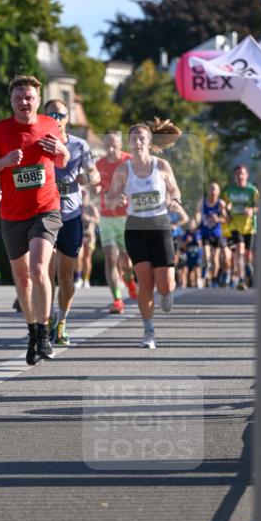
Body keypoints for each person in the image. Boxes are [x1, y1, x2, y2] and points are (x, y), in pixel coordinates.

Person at [0, 75, 69, 365]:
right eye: (18, 98)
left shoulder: (50, 125)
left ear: (38, 99)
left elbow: (64, 159)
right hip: (12, 214)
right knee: (22, 277)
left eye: (29, 97)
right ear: (11, 101)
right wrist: (4, 162)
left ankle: (44, 332)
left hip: (46, 208)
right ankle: (33, 331)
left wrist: (61, 151)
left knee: (38, 266)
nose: (24, 102)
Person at [106, 119, 187, 349]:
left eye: (142, 138)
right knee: (145, 282)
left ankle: (167, 292)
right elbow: (110, 198)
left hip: (160, 227)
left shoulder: (161, 166)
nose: (138, 142)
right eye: (134, 139)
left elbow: (174, 189)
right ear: (129, 143)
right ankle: (148, 331)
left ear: (150, 142)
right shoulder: (123, 170)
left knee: (165, 284)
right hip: (136, 229)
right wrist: (117, 200)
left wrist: (175, 200)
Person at [43, 98, 100, 346]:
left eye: (60, 115)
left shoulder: (80, 145)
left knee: (66, 275)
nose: (56, 119)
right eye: (51, 115)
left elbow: (94, 174)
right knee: (45, 274)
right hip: (44, 216)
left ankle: (62, 320)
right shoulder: (38, 144)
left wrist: (88, 178)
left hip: (71, 215)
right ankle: (44, 322)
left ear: (68, 118)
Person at [96, 131, 138, 313]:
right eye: (107, 145)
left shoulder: (129, 162)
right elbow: (94, 189)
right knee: (110, 257)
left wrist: (126, 197)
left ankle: (129, 281)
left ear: (121, 145)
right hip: (106, 217)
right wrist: (97, 190)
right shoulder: (99, 164)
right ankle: (117, 299)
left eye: (114, 145)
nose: (111, 149)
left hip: (126, 217)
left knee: (126, 261)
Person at [222, 165, 259, 290]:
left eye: (242, 173)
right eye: (237, 174)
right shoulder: (229, 191)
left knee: (248, 255)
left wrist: (252, 210)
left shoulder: (253, 190)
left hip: (250, 227)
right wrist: (226, 214)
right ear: (234, 176)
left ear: (247, 175)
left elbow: (259, 206)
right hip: (235, 225)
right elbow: (223, 206)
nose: (240, 176)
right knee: (239, 250)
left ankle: (249, 270)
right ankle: (241, 279)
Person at [196, 182, 227, 287]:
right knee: (206, 254)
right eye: (211, 189)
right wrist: (196, 220)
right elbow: (197, 214)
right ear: (208, 191)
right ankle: (205, 269)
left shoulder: (221, 204)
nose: (213, 191)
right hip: (205, 232)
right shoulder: (202, 202)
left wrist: (217, 219)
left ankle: (214, 279)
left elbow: (226, 219)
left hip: (216, 234)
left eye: (215, 189)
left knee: (215, 259)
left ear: (218, 192)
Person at [77, 186, 99, 288]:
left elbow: (98, 220)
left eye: (84, 193)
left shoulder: (91, 207)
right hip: (78, 234)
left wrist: (88, 218)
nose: (83, 195)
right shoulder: (76, 206)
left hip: (89, 235)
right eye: (81, 193)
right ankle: (78, 278)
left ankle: (86, 279)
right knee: (79, 256)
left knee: (87, 258)